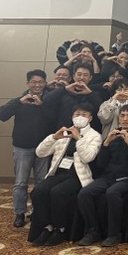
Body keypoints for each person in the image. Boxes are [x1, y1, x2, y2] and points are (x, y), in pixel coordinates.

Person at [29, 104, 102, 246]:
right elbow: (40, 153)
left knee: (58, 192)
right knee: (38, 191)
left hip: (78, 175)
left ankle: (60, 228)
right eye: (77, 114)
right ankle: (47, 226)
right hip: (59, 173)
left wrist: (79, 138)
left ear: (90, 118)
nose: (80, 117)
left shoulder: (95, 136)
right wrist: (53, 138)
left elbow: (88, 157)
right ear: (72, 117)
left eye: (84, 115)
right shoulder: (64, 133)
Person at [77, 105, 128, 247]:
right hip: (108, 177)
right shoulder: (112, 136)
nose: (125, 119)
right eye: (122, 116)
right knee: (84, 193)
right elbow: (101, 164)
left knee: (112, 193)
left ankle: (114, 234)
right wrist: (106, 143)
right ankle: (93, 230)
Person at [0, 69, 53, 228]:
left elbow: (54, 120)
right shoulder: (19, 101)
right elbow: (1, 115)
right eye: (34, 82)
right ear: (28, 83)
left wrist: (42, 105)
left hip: (43, 149)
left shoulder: (48, 101)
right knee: (21, 183)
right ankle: (20, 213)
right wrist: (19, 102)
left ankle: (38, 212)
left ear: (45, 83)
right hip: (22, 148)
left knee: (41, 183)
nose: (37, 85)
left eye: (40, 82)